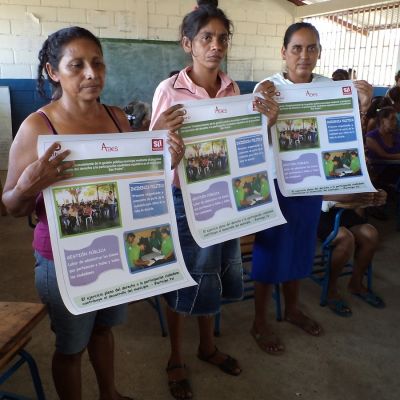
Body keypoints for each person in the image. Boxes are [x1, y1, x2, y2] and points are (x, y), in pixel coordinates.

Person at [1, 26, 181, 400]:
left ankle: (109, 394)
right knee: (71, 348)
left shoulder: (116, 119)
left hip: (115, 250)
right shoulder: (37, 127)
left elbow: (137, 185)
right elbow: (12, 206)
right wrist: (28, 185)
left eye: (97, 63)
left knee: (103, 331)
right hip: (64, 261)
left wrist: (162, 159)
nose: (91, 74)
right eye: (77, 65)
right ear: (53, 71)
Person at [149, 1, 278, 398]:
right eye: (207, 37)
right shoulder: (169, 90)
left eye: (222, 38)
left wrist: (265, 123)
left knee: (215, 274)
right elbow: (150, 151)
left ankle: (207, 347)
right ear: (188, 43)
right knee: (184, 276)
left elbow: (241, 147)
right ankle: (175, 357)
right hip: (184, 198)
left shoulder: (232, 89)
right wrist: (157, 132)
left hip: (223, 197)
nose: (216, 45)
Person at [251, 22, 373, 355]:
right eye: (297, 48)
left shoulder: (329, 88)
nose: (304, 55)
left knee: (300, 249)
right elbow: (252, 140)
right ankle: (259, 320)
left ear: (319, 52)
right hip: (275, 186)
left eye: (312, 48)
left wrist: (361, 103)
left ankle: (291, 310)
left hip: (309, 186)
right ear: (284, 52)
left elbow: (348, 135)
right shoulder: (267, 88)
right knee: (269, 251)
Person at [317, 192, 387, 316]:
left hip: (342, 210)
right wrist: (340, 196)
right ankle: (330, 289)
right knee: (345, 238)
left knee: (370, 235)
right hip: (315, 213)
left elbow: (361, 186)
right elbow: (302, 195)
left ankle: (356, 284)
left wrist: (376, 195)